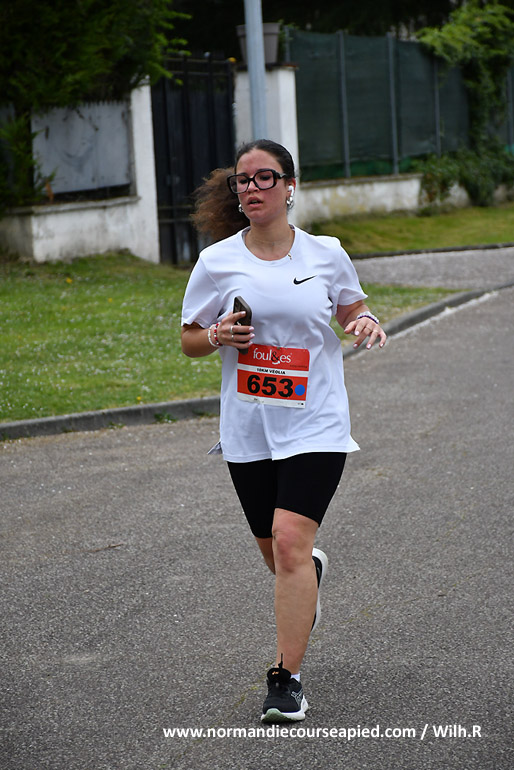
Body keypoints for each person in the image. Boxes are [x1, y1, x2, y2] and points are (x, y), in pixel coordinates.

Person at [181, 139, 386, 723]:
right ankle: (307, 577)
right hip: (250, 426)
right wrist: (217, 335)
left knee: (291, 539)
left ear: (290, 186)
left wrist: (365, 321)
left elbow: (351, 307)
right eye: (242, 181)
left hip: (316, 421)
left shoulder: (326, 253)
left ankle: (286, 679)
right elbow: (189, 340)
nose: (251, 188)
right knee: (279, 556)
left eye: (264, 177)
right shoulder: (216, 261)